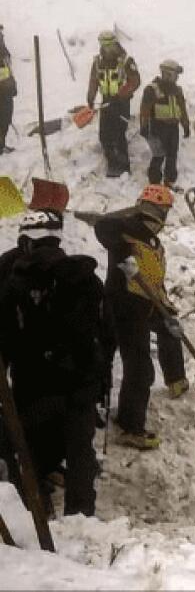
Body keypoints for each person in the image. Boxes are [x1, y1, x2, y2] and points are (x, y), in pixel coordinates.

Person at [0, 210, 113, 517]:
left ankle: (37, 511)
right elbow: (105, 334)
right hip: (81, 382)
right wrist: (102, 380)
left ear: (27, 242)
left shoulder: (14, 281)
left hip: (34, 383)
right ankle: (81, 516)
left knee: (27, 447)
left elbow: (6, 336)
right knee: (80, 451)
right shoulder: (87, 278)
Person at [94, 185, 187, 450]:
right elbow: (102, 226)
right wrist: (123, 252)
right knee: (138, 367)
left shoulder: (154, 243)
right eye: (165, 211)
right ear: (155, 210)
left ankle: (176, 379)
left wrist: (167, 309)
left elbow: (155, 282)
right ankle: (129, 426)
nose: (166, 217)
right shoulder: (126, 227)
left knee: (171, 328)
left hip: (145, 303)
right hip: (122, 306)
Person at [86, 30, 141, 177]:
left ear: (115, 44)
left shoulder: (126, 61)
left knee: (119, 134)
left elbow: (135, 81)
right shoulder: (98, 62)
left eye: (110, 45)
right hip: (106, 101)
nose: (108, 49)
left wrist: (122, 94)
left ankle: (124, 167)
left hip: (121, 103)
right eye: (104, 45)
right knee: (104, 135)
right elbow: (93, 81)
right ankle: (112, 164)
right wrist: (90, 98)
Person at [138, 59, 190, 188]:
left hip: (173, 128)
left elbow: (182, 109)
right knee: (159, 155)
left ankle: (169, 182)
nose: (177, 78)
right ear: (167, 73)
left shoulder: (177, 90)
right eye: (175, 75)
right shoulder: (152, 89)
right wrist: (144, 126)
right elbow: (144, 110)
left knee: (172, 155)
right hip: (158, 127)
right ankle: (154, 182)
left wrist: (186, 125)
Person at [0, 24, 15, 154]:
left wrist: (12, 85)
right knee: (3, 117)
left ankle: (1, 144)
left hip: (6, 88)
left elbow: (7, 68)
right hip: (2, 91)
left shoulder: (2, 44)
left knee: (5, 117)